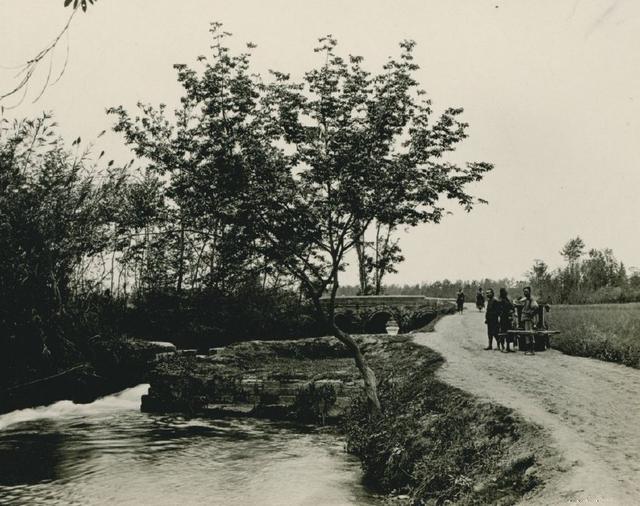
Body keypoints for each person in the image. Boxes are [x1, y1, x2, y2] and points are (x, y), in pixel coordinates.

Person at [519, 286, 539, 355]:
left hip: (529, 319)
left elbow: (536, 307)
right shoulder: (526, 299)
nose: (525, 293)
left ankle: (532, 350)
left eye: (526, 291)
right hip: (525, 319)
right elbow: (520, 301)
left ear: (529, 292)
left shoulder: (531, 299)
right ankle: (528, 349)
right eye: (524, 292)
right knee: (527, 334)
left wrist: (531, 314)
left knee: (530, 334)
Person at [498, 288, 515, 352]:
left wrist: (511, 312)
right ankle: (503, 347)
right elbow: (499, 310)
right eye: (503, 292)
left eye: (505, 292)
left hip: (508, 318)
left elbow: (512, 307)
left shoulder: (507, 300)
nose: (505, 293)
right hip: (503, 319)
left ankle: (508, 347)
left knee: (509, 332)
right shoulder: (500, 301)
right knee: (503, 332)